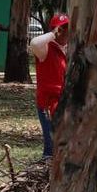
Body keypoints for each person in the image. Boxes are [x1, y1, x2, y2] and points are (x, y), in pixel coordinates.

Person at [30, 13, 69, 157]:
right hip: (48, 104)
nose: (66, 33)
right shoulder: (45, 48)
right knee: (51, 144)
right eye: (63, 29)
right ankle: (48, 172)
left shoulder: (65, 49)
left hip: (62, 103)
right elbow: (34, 43)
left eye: (68, 29)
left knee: (61, 143)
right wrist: (53, 34)